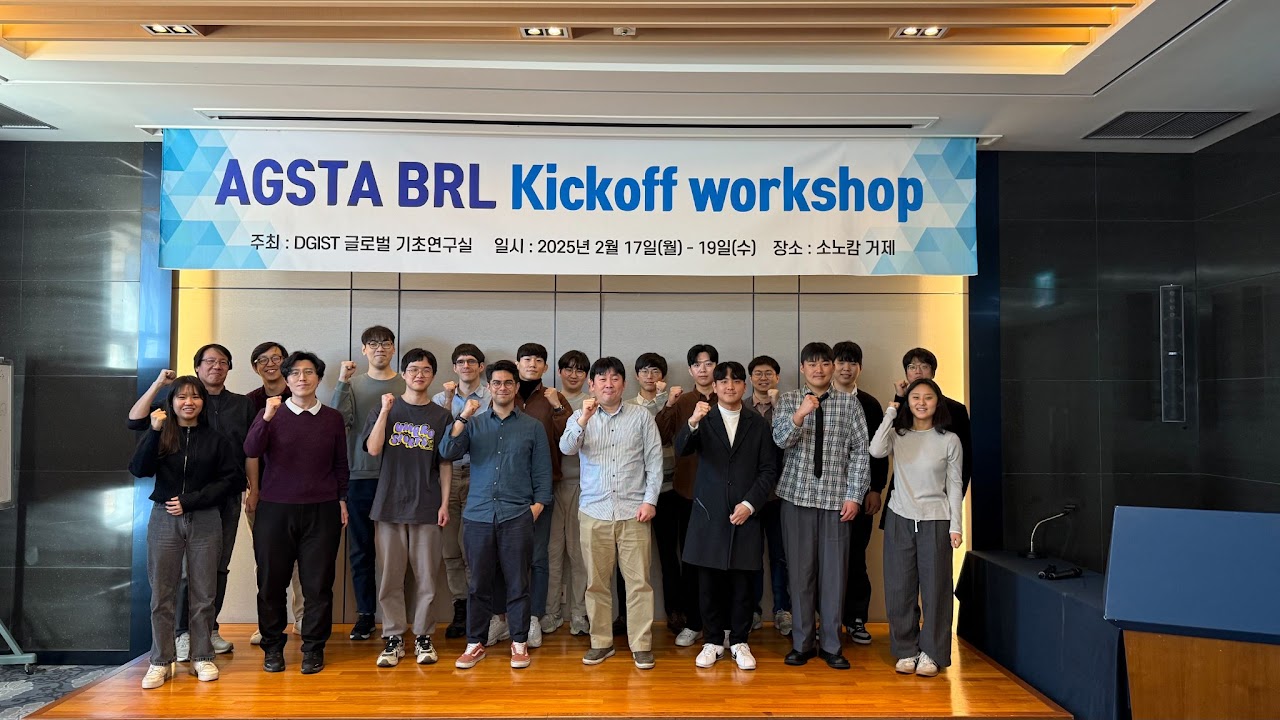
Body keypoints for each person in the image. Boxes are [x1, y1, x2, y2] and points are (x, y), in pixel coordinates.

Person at [126, 344, 255, 658]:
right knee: (179, 575)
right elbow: (134, 421)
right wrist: (159, 384)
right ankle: (181, 635)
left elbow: (252, 449)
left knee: (216, 568)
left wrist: (255, 488)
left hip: (223, 496)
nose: (216, 366)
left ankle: (208, 632)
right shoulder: (178, 404)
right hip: (175, 505)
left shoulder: (242, 404)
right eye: (209, 361)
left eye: (223, 361)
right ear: (197, 367)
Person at [441, 360, 553, 670]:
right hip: (478, 515)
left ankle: (519, 641)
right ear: (488, 387)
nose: (502, 388)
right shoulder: (474, 423)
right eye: (497, 383)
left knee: (518, 581)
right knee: (478, 583)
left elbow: (543, 473)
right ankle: (475, 643)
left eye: (508, 383)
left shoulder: (532, 426)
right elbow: (448, 450)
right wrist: (463, 415)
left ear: (516, 388)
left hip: (517, 515)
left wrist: (537, 507)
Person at [244, 351, 350, 675]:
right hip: (275, 509)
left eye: (309, 372)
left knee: (318, 584)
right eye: (295, 373)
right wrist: (265, 418)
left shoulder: (332, 418)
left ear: (318, 378)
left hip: (322, 509)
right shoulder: (271, 412)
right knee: (271, 582)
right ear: (287, 379)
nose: (302, 378)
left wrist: (341, 499)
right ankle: (272, 647)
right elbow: (251, 449)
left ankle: (313, 648)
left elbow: (340, 464)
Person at [559, 357, 663, 670]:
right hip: (594, 512)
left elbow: (654, 461)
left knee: (639, 583)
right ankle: (601, 642)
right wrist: (584, 419)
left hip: (634, 512)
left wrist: (650, 501)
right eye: (602, 379)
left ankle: (641, 645)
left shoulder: (641, 416)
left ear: (623, 384)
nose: (609, 384)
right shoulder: (579, 416)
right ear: (592, 385)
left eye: (615, 378)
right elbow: (567, 448)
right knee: (596, 584)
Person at [772, 342, 870, 670]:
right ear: (802, 368)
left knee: (834, 575)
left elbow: (860, 452)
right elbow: (780, 440)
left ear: (832, 367)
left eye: (824, 363)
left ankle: (831, 644)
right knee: (800, 574)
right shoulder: (788, 400)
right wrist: (800, 414)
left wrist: (855, 495)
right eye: (811, 364)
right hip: (796, 497)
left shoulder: (850, 404)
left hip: (835, 501)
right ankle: (802, 643)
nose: (818, 369)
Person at [674, 362, 777, 671]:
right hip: (709, 512)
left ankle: (740, 641)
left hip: (746, 513)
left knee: (743, 582)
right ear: (715, 387)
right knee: (708, 582)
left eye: (736, 381)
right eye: (723, 381)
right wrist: (692, 422)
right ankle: (713, 641)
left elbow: (768, 469)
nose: (730, 386)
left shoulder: (757, 423)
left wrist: (750, 504)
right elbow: (681, 449)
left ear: (744, 386)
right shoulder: (704, 418)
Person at [362, 348, 452, 668]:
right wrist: (386, 412)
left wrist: (444, 503)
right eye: (413, 369)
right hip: (388, 504)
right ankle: (394, 636)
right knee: (390, 576)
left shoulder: (441, 416)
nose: (419, 375)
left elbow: (444, 464)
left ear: (433, 375)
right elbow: (373, 449)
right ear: (403, 374)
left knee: (427, 577)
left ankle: (424, 635)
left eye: (426, 370)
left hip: (427, 504)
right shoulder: (385, 407)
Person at [869, 378, 963, 678]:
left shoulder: (950, 440)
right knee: (899, 588)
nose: (922, 403)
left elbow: (955, 485)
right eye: (915, 397)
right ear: (908, 402)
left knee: (936, 589)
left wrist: (956, 526)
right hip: (900, 516)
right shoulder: (898, 435)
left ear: (938, 402)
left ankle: (932, 652)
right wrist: (892, 409)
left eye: (928, 397)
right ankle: (906, 649)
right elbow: (875, 450)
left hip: (936, 519)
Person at [332, 325, 407, 641]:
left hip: (399, 477)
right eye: (373, 344)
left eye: (386, 343)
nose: (379, 348)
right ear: (364, 350)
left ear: (393, 348)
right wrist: (341, 381)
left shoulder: (406, 382)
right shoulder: (353, 384)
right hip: (360, 476)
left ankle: (396, 618)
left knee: (398, 553)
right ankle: (365, 615)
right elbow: (337, 422)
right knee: (361, 550)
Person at [654, 344, 719, 646]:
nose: (703, 369)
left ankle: (720, 624)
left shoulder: (727, 398)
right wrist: (669, 404)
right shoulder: (682, 401)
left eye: (709, 363)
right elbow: (661, 435)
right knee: (689, 559)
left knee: (719, 559)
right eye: (697, 364)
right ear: (691, 370)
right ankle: (693, 622)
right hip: (687, 491)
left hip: (722, 494)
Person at [244, 341, 304, 643]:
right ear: (255, 367)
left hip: (300, 493)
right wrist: (254, 490)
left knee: (302, 560)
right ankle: (269, 623)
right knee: (268, 561)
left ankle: (303, 617)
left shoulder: (300, 395)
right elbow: (250, 451)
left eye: (277, 358)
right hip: (263, 492)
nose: (270, 364)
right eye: (263, 360)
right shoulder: (249, 402)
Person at [831, 341, 889, 647]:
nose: (846, 368)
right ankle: (826, 620)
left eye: (852, 363)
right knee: (825, 561)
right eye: (841, 362)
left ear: (860, 368)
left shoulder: (870, 404)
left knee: (855, 558)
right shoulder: (819, 399)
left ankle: (855, 618)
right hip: (825, 496)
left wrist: (875, 488)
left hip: (861, 493)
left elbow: (879, 452)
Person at [432, 343, 491, 639]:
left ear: (481, 366)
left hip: (479, 474)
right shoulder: (440, 398)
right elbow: (437, 436)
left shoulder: (492, 395)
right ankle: (460, 606)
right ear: (454, 367)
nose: (466, 366)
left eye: (471, 361)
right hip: (447, 474)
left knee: (473, 547)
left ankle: (479, 608)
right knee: (450, 550)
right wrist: (448, 400)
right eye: (460, 362)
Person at [746, 355, 791, 636]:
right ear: (750, 378)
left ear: (777, 377)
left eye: (769, 373)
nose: (763, 378)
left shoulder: (787, 406)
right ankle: (752, 609)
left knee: (780, 554)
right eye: (758, 373)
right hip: (750, 495)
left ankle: (782, 609)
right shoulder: (742, 407)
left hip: (780, 493)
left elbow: (791, 443)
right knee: (750, 555)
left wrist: (778, 408)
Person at [547, 349, 591, 636]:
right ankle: (550, 613)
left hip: (583, 487)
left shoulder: (592, 403)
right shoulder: (547, 399)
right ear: (559, 371)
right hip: (551, 486)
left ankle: (579, 614)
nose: (574, 375)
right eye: (568, 369)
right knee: (551, 554)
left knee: (579, 554)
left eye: (580, 370)